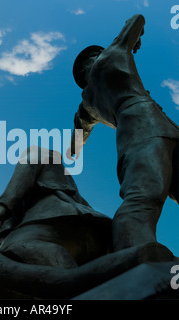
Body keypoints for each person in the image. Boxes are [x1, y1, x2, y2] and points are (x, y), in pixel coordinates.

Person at [68, 14, 179, 251]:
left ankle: (133, 256)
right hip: (158, 130)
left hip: (138, 137)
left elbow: (78, 139)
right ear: (93, 58)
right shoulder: (112, 55)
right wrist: (134, 41)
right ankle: (132, 260)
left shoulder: (86, 105)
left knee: (143, 199)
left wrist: (71, 155)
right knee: (142, 200)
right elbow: (137, 19)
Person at [0, 146, 112, 269]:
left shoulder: (35, 153)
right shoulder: (67, 183)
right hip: (96, 235)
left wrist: (1, 207)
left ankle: (70, 278)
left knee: (10, 249)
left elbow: (25, 173)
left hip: (58, 223)